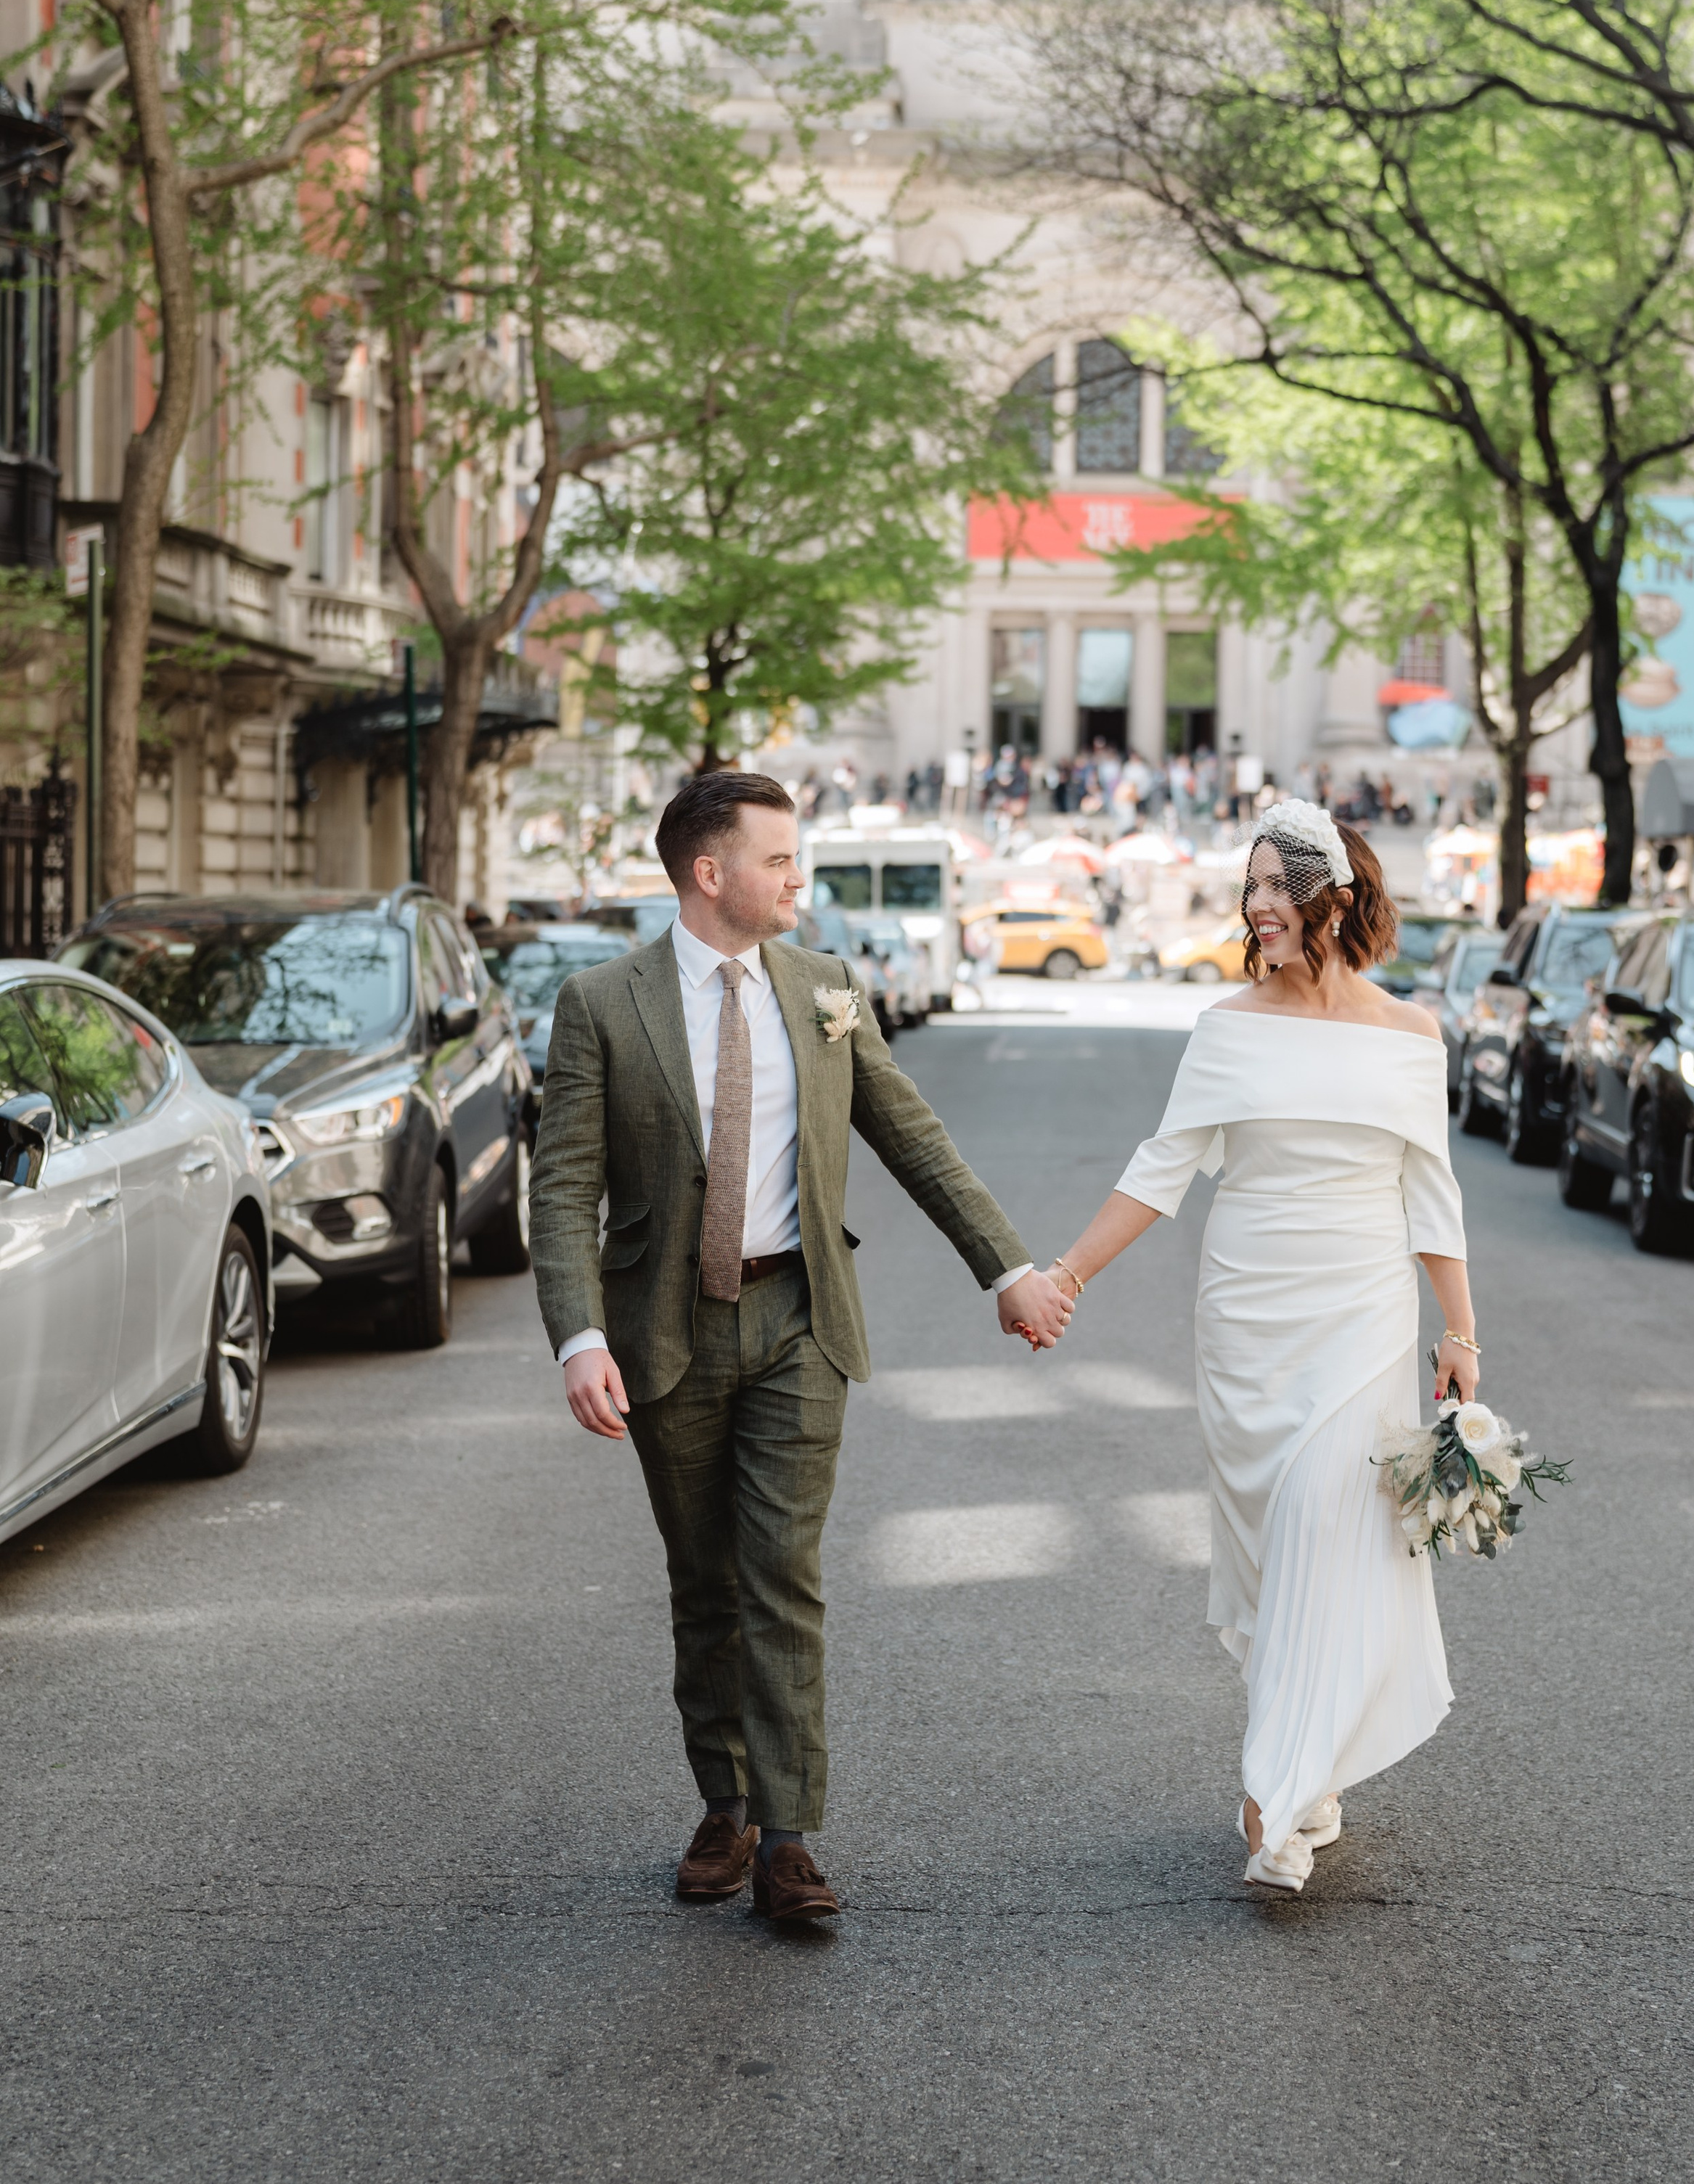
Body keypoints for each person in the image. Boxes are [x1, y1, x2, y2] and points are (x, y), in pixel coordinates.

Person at [528, 771, 1073, 1924]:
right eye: (777, 860)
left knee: (784, 1576)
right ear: (709, 873)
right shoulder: (602, 1004)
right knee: (706, 1584)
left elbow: (911, 1134)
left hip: (798, 1323)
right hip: (664, 1333)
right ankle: (719, 1808)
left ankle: (787, 1837)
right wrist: (578, 1335)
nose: (797, 879)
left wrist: (1009, 1268)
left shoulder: (827, 989)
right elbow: (565, 1183)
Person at [1035, 800, 1476, 1895]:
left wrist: (1461, 1330)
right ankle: (1308, 1763)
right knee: (1276, 1546)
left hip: (1366, 1315)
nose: (1259, 905)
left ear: (1338, 893)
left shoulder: (1415, 1036)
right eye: (1251, 887)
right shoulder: (1228, 1029)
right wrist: (1068, 1275)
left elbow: (1435, 1198)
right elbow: (1160, 1169)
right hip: (1248, 1315)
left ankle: (1277, 1799)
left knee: (1332, 1524)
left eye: (1279, 886)